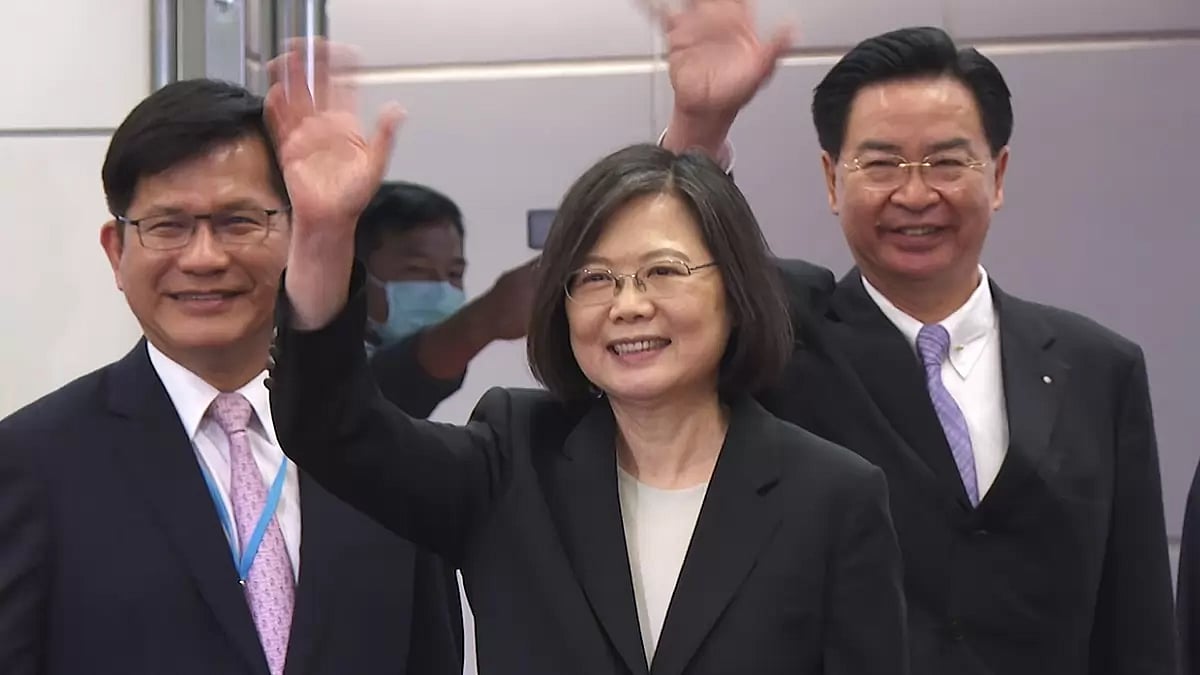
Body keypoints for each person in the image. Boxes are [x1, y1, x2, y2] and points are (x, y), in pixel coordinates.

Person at [262, 39, 908, 675]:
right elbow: (331, 427)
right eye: (595, 278)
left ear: (735, 290)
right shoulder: (514, 457)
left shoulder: (833, 494)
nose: (627, 305)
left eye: (662, 270)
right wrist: (323, 235)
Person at [649, 4, 1177, 674]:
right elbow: (662, 281)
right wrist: (701, 122)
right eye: (882, 163)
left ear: (999, 174)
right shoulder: (782, 335)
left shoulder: (1098, 368)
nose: (915, 192)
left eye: (946, 162)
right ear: (831, 180)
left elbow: (1138, 625)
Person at [0, 79, 462, 675]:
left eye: (238, 221)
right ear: (117, 252)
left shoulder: (389, 454)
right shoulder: (30, 465)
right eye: (167, 226)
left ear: (299, 233)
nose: (204, 257)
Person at [356, 181, 536, 417]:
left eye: (454, 274)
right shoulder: (313, 364)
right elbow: (379, 388)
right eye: (417, 271)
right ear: (354, 274)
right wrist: (489, 318)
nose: (442, 290)